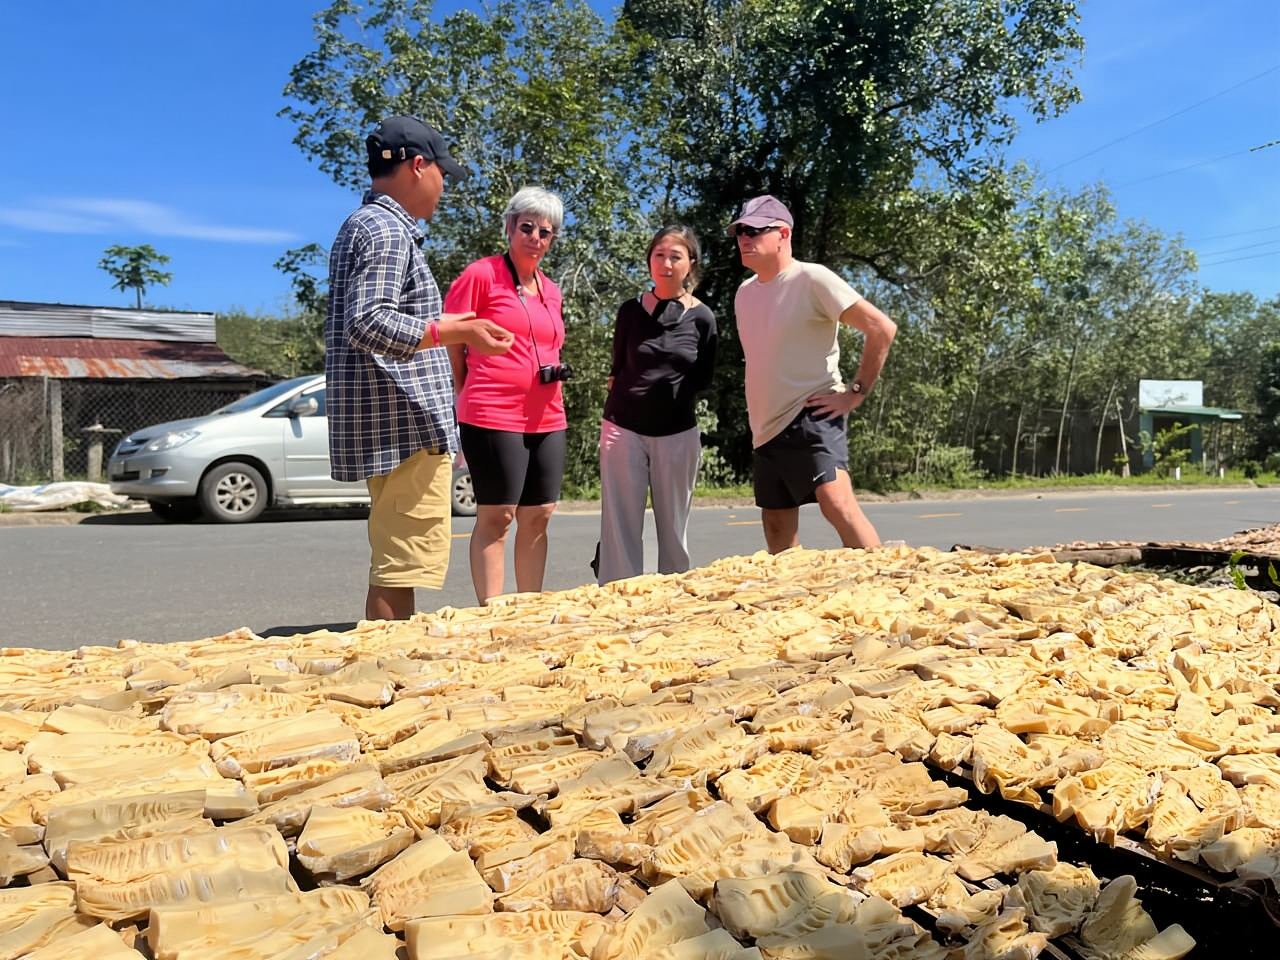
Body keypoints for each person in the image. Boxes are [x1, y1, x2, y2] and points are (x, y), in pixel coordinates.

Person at [325, 114, 513, 622]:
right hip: (404, 425)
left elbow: (375, 315)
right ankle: (385, 671)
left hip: (395, 424)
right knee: (398, 566)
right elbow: (367, 322)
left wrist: (450, 323)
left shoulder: (370, 227)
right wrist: (455, 331)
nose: (444, 188)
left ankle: (387, 661)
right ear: (418, 165)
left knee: (397, 560)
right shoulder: (385, 230)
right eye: (443, 175)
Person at [730, 194, 897, 553]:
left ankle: (887, 586)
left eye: (755, 231)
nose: (745, 238)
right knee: (776, 526)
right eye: (740, 231)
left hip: (813, 413)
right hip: (766, 428)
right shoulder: (744, 294)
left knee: (837, 504)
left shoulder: (812, 278)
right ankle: (793, 602)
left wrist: (855, 392)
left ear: (783, 234)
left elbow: (881, 328)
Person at [444, 187, 569, 603]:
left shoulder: (552, 290)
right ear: (510, 228)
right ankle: (493, 614)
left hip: (547, 415)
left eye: (545, 232)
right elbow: (452, 339)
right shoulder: (481, 275)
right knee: (498, 516)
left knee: (539, 514)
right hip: (491, 411)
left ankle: (529, 609)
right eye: (527, 227)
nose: (536, 237)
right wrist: (464, 390)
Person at [597, 225, 717, 584]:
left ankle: (674, 602)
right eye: (659, 255)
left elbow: (704, 379)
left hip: (677, 432)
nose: (666, 263)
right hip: (622, 427)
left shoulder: (703, 318)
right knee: (620, 524)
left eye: (675, 256)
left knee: (673, 527)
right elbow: (616, 371)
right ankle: (617, 598)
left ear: (690, 264)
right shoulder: (629, 311)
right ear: (649, 260)